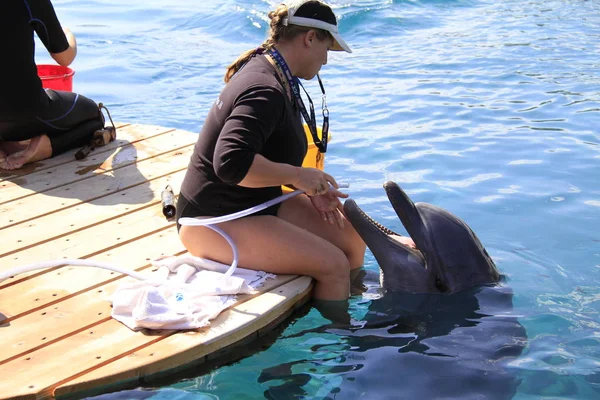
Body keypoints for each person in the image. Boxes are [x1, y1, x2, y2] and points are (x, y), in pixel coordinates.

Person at [178, 0, 373, 311]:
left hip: (253, 203)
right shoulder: (265, 88)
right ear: (309, 38)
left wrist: (309, 187)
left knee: (350, 237)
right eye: (327, 48)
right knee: (333, 265)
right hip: (212, 220)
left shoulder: (275, 72)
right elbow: (230, 163)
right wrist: (298, 176)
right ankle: (337, 346)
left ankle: (349, 304)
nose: (326, 60)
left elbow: (263, 152)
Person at [0, 0, 105, 170]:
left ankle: (6, 144)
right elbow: (65, 58)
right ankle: (46, 148)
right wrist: (68, 34)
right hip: (26, 113)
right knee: (95, 116)